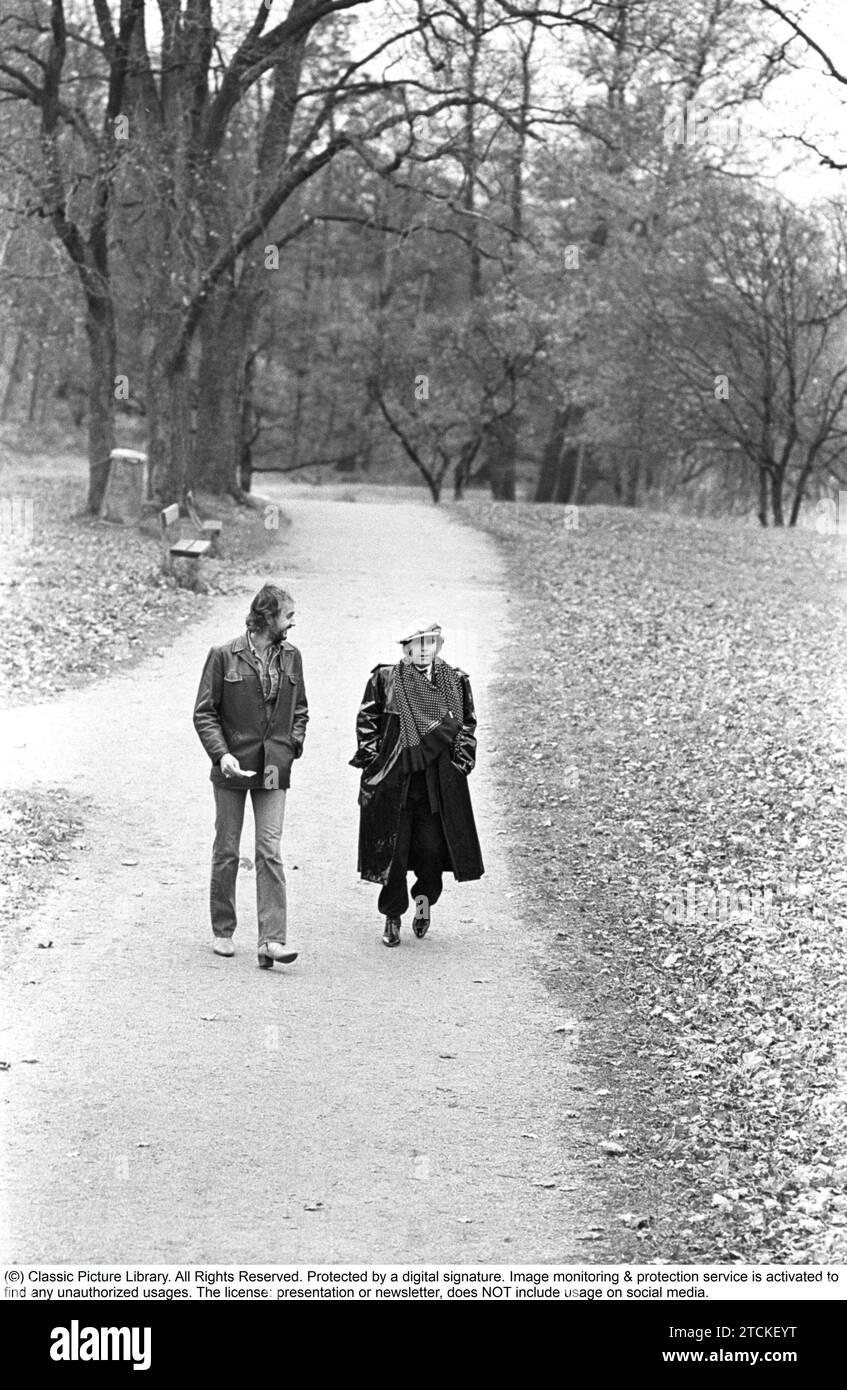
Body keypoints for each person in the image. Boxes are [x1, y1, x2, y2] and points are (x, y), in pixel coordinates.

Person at [193, 583, 308, 969]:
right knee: (227, 849)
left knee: (269, 850)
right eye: (287, 616)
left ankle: (272, 941)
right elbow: (205, 713)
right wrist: (221, 755)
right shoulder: (223, 656)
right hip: (232, 765)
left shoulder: (292, 657)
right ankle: (223, 930)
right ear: (267, 618)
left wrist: (292, 746)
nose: (293, 623)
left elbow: (301, 711)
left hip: (274, 765)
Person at [350, 620, 483, 946]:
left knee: (430, 853)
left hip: (437, 786)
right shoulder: (385, 679)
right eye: (417, 643)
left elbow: (466, 725)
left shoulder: (455, 681)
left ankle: (423, 904)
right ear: (405, 648)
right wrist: (372, 763)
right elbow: (368, 721)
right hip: (396, 783)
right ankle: (392, 916)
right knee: (392, 853)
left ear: (438, 645)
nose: (424, 648)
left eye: (430, 642)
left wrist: (461, 761)